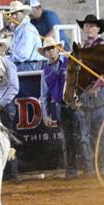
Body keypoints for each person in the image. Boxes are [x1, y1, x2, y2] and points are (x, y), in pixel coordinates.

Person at [74, 14, 104, 174]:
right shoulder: (85, 46)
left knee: (97, 130)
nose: (89, 28)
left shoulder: (102, 45)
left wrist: (97, 87)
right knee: (90, 131)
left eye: (92, 26)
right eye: (86, 26)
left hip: (97, 91)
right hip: (87, 90)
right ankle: (97, 167)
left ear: (98, 29)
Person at [41, 37, 82, 178]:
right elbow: (44, 95)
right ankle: (71, 170)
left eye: (52, 48)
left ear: (58, 49)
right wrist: (45, 114)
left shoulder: (70, 62)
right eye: (47, 49)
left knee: (82, 136)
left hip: (74, 104)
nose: (50, 51)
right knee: (68, 139)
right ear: (45, 53)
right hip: (60, 106)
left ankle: (88, 168)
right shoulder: (45, 71)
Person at [0, 34, 20, 181]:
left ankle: (12, 172)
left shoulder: (9, 64)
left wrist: (1, 103)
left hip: (5, 106)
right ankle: (3, 173)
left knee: (8, 139)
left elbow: (14, 87)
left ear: (2, 47)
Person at [2, 0, 45, 73]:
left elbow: (23, 55)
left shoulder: (27, 29)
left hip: (30, 65)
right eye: (12, 14)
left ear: (23, 13)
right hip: (25, 64)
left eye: (16, 14)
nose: (14, 16)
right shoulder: (19, 29)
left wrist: (4, 59)